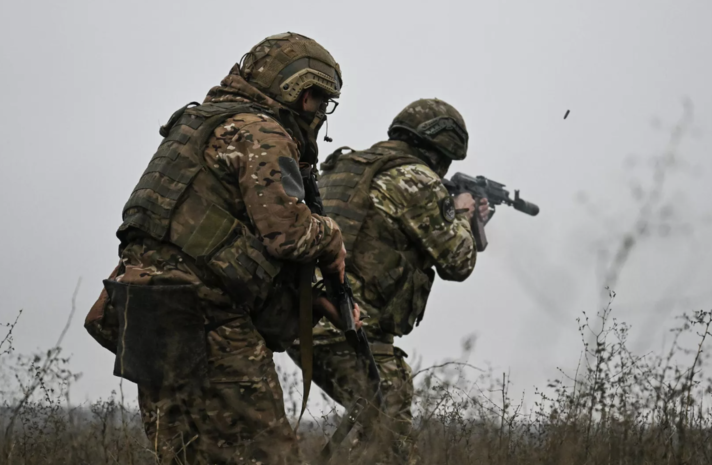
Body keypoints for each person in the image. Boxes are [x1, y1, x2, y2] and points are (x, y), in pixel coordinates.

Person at [84, 32, 355, 465]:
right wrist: (331, 237)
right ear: (303, 94)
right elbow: (288, 232)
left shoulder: (198, 124)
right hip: (203, 316)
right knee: (264, 455)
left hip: (145, 309)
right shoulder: (260, 130)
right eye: (321, 102)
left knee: (184, 454)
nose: (320, 115)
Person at [287, 98, 489, 464]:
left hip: (304, 317)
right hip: (346, 327)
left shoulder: (351, 165)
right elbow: (458, 262)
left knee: (377, 429)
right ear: (444, 149)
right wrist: (463, 215)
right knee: (389, 440)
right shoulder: (416, 180)